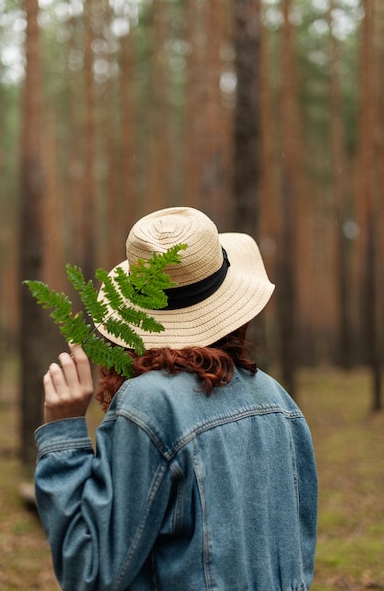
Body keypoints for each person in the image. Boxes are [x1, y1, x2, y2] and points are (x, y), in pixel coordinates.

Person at [35, 206, 318, 591]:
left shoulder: (148, 404)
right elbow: (297, 559)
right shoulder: (279, 401)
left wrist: (64, 434)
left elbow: (90, 572)